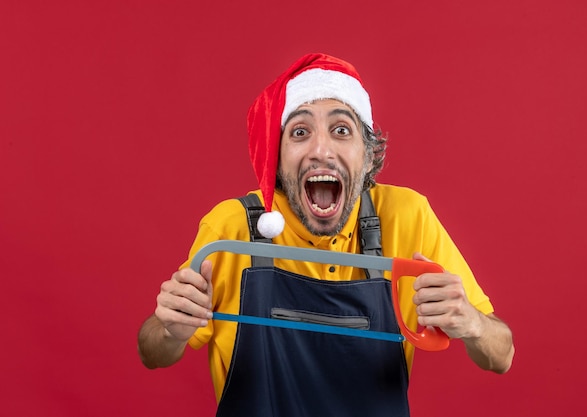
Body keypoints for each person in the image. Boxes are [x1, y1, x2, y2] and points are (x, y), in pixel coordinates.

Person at [138, 53, 514, 416]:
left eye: (341, 130)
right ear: (277, 157)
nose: (321, 150)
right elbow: (152, 353)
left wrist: (472, 323)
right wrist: (171, 329)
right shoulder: (231, 227)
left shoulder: (407, 217)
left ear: (367, 156)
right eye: (300, 132)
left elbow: (502, 355)